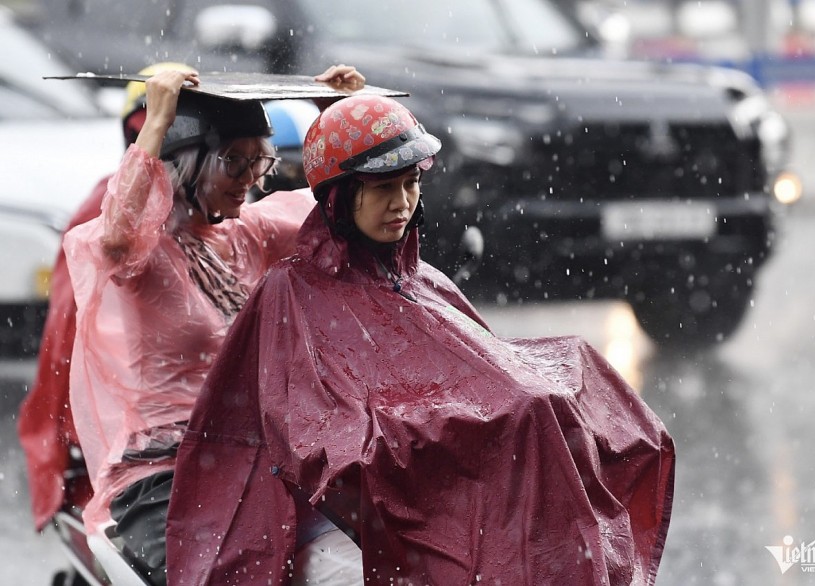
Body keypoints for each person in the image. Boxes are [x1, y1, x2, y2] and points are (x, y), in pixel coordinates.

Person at [167, 95, 676, 585]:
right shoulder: (291, 292)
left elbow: (485, 372)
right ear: (340, 196)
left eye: (411, 184)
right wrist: (451, 427)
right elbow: (315, 442)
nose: (402, 203)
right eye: (384, 188)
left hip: (436, 500)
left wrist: (522, 410)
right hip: (331, 516)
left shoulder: (424, 281)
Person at [62, 65, 366, 585]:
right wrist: (156, 121)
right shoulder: (143, 249)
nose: (251, 176)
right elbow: (117, 236)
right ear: (186, 163)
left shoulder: (249, 232)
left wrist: (337, 117)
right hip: (162, 478)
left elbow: (344, 222)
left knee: (367, 567)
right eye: (234, 161)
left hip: (257, 463)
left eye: (260, 160)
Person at [18, 61, 196, 534]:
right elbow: (67, 332)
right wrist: (64, 441)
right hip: (137, 441)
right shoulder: (107, 214)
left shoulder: (222, 219)